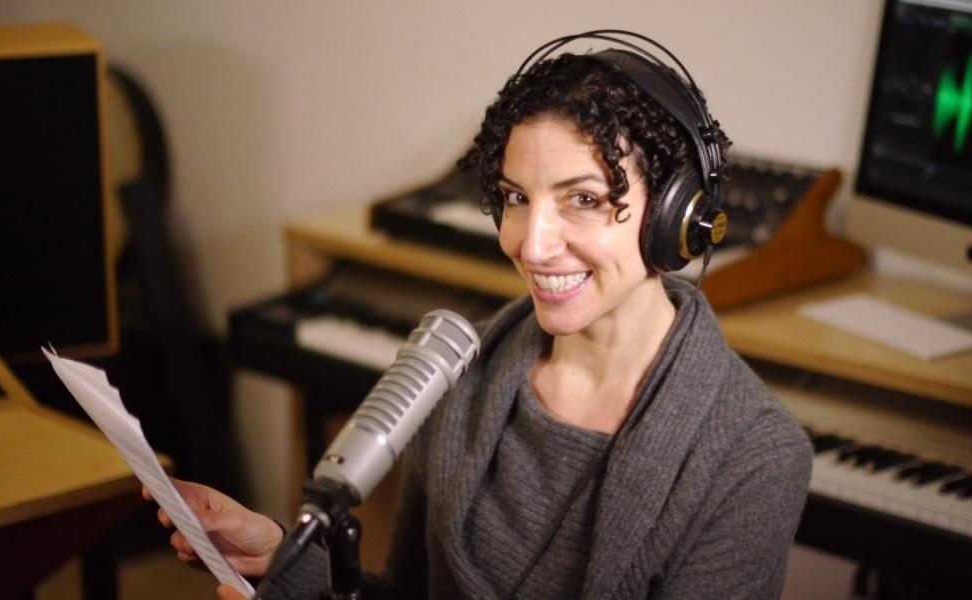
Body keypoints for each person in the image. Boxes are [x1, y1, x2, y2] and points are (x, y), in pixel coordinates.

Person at [148, 32, 812, 600]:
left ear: (677, 220)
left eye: (581, 198)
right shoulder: (458, 376)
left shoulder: (752, 459)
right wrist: (281, 558)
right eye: (515, 198)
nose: (530, 242)